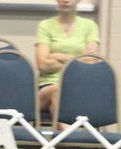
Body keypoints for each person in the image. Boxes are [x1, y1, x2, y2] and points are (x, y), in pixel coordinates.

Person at [35, 0, 100, 128]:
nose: (66, 0)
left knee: (57, 99)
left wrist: (60, 57)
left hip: (78, 86)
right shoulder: (45, 25)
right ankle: (72, 145)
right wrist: (79, 58)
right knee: (56, 90)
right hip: (48, 87)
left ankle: (64, 146)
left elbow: (92, 61)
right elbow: (42, 64)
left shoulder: (90, 26)